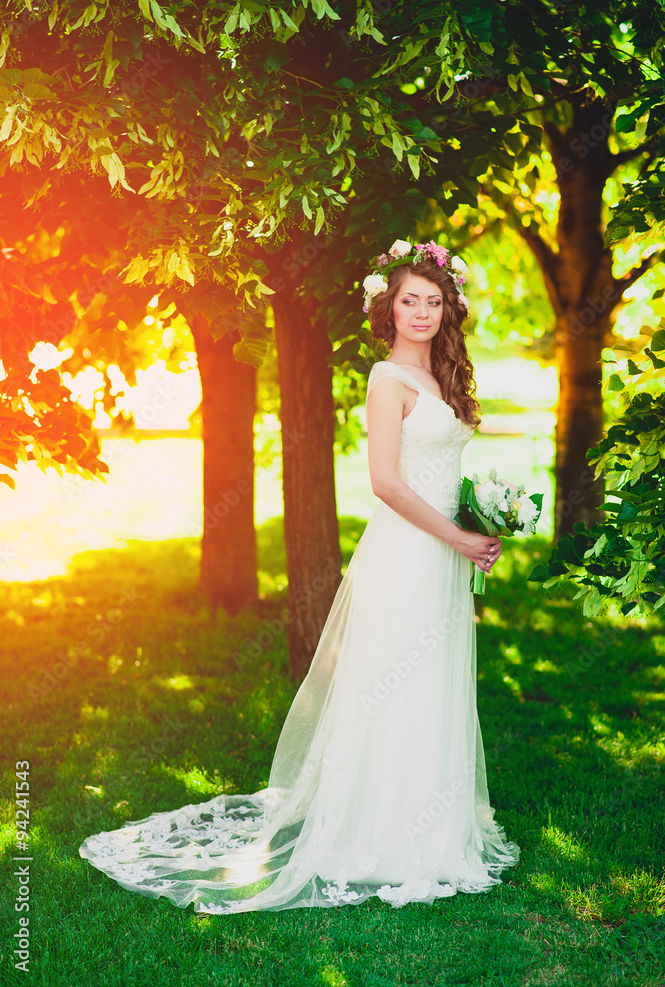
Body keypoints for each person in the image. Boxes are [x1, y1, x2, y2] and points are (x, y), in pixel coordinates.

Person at [79, 239, 519, 913]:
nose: (422, 313)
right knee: (392, 680)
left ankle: (434, 824)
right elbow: (385, 484)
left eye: (433, 302)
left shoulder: (443, 379)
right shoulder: (386, 379)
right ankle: (378, 834)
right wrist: (458, 535)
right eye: (410, 301)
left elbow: (439, 473)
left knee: (433, 679)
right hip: (406, 552)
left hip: (445, 556)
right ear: (388, 308)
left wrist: (475, 522)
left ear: (447, 309)